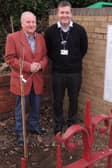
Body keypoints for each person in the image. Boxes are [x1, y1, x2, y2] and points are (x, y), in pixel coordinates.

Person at [5, 11, 48, 146]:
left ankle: (33, 127)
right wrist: (29, 67)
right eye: (28, 22)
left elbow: (45, 57)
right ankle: (20, 132)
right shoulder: (13, 37)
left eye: (33, 22)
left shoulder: (40, 38)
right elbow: (10, 59)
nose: (31, 24)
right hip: (22, 80)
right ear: (22, 23)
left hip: (37, 79)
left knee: (36, 106)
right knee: (21, 108)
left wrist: (40, 65)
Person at [45, 1, 88, 134]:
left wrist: (72, 60)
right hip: (58, 72)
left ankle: (71, 123)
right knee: (57, 100)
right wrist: (59, 60)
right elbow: (48, 50)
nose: (64, 15)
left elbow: (84, 49)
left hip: (75, 73)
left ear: (71, 13)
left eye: (67, 12)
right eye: (62, 12)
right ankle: (58, 124)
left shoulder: (80, 30)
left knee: (73, 99)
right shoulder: (50, 31)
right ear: (58, 14)